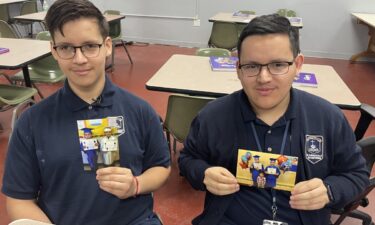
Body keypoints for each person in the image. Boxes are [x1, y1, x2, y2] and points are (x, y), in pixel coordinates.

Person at [178, 14, 369, 225]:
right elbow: (188, 160)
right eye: (251, 66)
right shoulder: (212, 117)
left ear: (298, 65)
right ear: (238, 69)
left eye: (278, 65)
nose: (264, 78)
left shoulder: (327, 118)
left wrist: (330, 190)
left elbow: (356, 174)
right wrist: (203, 173)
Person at [1, 0, 170, 224]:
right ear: (54, 50)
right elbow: (19, 200)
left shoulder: (140, 111)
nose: (79, 59)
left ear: (108, 45)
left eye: (90, 46)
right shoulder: (31, 123)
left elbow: (161, 166)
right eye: (67, 48)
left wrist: (136, 184)